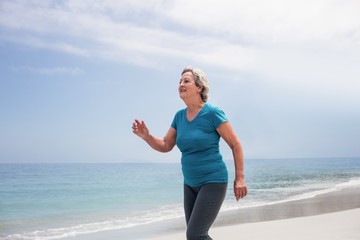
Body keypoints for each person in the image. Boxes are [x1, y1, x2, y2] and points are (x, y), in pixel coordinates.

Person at [132, 67, 247, 240]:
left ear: (199, 87)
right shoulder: (179, 116)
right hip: (190, 184)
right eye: (179, 82)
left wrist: (240, 178)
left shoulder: (212, 113)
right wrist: (147, 137)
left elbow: (235, 144)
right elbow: (165, 145)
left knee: (195, 235)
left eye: (186, 81)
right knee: (194, 236)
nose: (181, 84)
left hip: (213, 181)